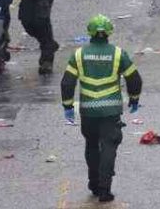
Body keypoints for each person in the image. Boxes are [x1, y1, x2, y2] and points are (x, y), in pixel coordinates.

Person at [61, 15, 142, 203]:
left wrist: (67, 106)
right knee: (108, 146)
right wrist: (134, 99)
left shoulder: (79, 55)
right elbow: (134, 79)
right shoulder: (118, 54)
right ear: (109, 33)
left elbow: (67, 83)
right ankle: (105, 190)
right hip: (110, 111)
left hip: (88, 111)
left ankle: (94, 184)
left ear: (90, 32)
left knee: (91, 145)